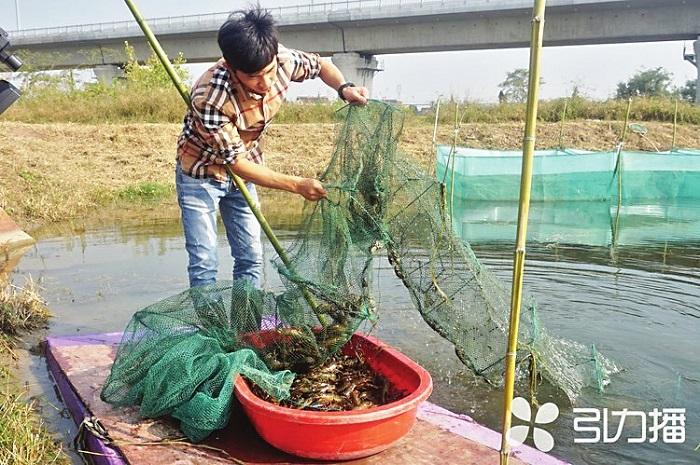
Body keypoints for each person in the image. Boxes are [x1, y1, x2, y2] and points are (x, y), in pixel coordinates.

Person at [176, 7, 369, 289]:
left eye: (268, 72)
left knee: (251, 256)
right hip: (201, 173)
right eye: (254, 77)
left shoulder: (283, 60)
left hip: (246, 168)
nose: (265, 83)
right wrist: (298, 185)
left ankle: (247, 328)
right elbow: (235, 162)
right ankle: (212, 330)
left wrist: (344, 88)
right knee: (205, 262)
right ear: (232, 69)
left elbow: (321, 66)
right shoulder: (210, 96)